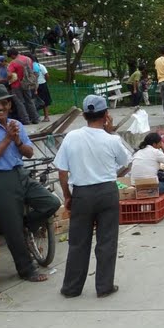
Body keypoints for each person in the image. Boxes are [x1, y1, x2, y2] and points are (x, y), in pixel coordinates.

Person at [0, 85, 61, 282]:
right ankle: (27, 270)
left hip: (20, 174)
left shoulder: (15, 124)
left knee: (51, 202)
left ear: (10, 104)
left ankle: (27, 226)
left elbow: (29, 152)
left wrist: (17, 141)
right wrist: (6, 139)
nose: (0, 107)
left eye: (4, 103)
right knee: (12, 230)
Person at [55, 95, 131, 299]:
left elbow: (62, 171)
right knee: (107, 240)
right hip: (107, 192)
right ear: (106, 115)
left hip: (82, 193)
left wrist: (67, 195)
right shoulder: (112, 139)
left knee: (78, 242)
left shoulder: (71, 137)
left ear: (84, 115)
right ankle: (104, 286)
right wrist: (110, 132)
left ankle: (71, 288)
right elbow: (126, 161)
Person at [131, 133, 164, 203]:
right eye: (160, 143)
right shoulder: (155, 152)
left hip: (135, 186)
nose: (161, 145)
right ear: (154, 144)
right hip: (149, 188)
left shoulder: (138, 152)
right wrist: (163, 148)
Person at [6, 49, 39, 125]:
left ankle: (25, 120)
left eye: (11, 57)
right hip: (27, 83)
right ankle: (35, 118)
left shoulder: (13, 63)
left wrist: (7, 80)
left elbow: (9, 75)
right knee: (29, 101)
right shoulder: (28, 59)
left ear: (12, 55)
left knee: (20, 102)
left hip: (16, 84)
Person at [32, 56, 51, 122]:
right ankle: (43, 116)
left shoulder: (37, 66)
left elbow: (47, 75)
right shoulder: (40, 66)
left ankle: (44, 116)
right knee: (42, 101)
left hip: (39, 84)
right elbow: (47, 75)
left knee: (41, 101)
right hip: (41, 84)